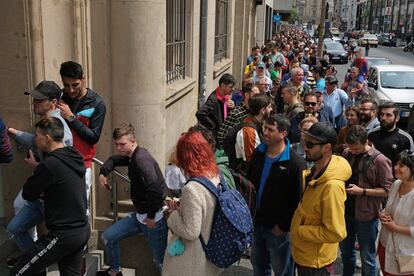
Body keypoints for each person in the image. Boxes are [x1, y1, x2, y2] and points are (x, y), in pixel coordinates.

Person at [10, 117, 89, 276]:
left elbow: (28, 193)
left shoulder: (50, 165)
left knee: (18, 272)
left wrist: (38, 172)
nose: (35, 139)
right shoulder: (74, 155)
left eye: (37, 135)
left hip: (62, 235)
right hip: (81, 230)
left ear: (47, 138)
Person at [7, 80, 73, 257]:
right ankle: (33, 260)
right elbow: (36, 142)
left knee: (59, 242)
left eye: (39, 99)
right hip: (44, 189)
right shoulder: (48, 121)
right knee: (17, 213)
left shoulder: (59, 126)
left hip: (55, 195)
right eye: (34, 98)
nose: (34, 102)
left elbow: (63, 162)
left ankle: (36, 259)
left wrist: (39, 166)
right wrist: (15, 133)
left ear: (52, 102)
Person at [97, 123, 168, 275]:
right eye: (116, 144)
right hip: (139, 216)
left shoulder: (141, 160)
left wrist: (150, 216)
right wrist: (103, 173)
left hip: (154, 219)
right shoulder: (132, 156)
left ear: (133, 141)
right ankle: (115, 271)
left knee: (160, 261)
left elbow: (155, 189)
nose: (119, 148)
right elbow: (113, 160)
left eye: (122, 144)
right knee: (108, 236)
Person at [247, 114, 306, 276]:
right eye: (265, 128)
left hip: (278, 230)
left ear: (283, 134)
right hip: (257, 224)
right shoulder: (258, 153)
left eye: (270, 130)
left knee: (283, 270)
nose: (265, 132)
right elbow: (250, 183)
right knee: (258, 266)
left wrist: (283, 225)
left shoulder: (295, 163)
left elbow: (298, 199)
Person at [290, 122, 352, 275]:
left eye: (310, 144)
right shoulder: (314, 173)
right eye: (305, 142)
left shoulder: (331, 187)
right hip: (305, 255)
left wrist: (301, 231)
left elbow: (336, 232)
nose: (305, 148)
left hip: (315, 264)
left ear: (327, 147)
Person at [162, 130, 224, 276]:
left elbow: (191, 231)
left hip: (192, 260)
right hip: (210, 253)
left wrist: (172, 214)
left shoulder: (192, 188)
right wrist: (183, 205)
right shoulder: (215, 174)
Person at [341, 125, 393, 276]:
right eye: (351, 148)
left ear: (367, 142)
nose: (353, 151)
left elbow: (387, 190)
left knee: (367, 258)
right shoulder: (346, 153)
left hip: (367, 215)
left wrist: (362, 191)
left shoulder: (380, 160)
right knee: (346, 254)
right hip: (345, 212)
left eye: (356, 149)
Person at [57, 61, 106, 209]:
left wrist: (71, 117)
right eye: (66, 85)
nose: (70, 90)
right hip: (59, 161)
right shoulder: (61, 96)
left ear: (83, 78)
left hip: (81, 165)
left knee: (80, 209)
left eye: (75, 85)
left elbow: (93, 137)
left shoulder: (97, 103)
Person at [378, 150, 414, 276]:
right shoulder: (396, 184)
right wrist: (382, 214)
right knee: (386, 272)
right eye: (396, 164)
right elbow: (388, 209)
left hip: (407, 251)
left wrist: (395, 228)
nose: (395, 168)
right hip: (385, 244)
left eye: (401, 165)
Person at [368, 102, 414, 168]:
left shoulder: (405, 139)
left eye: (388, 115)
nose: (383, 118)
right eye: (382, 114)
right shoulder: (371, 134)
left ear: (397, 118)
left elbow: (410, 163)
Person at [235, 94, 273, 168]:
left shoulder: (257, 123)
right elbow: (252, 160)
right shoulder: (249, 131)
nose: (271, 109)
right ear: (263, 110)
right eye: (269, 107)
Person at [196, 73, 236, 139]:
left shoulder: (225, 96)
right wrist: (213, 126)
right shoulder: (213, 100)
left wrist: (232, 107)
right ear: (223, 86)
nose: (233, 89)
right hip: (216, 139)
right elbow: (200, 113)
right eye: (231, 87)